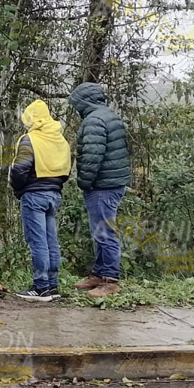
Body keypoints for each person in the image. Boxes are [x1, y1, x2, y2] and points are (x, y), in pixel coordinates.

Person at [68, 82, 131, 299]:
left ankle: (111, 280)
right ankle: (99, 274)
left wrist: (84, 182)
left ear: (83, 102)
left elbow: (93, 157)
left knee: (104, 232)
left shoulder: (94, 121)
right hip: (112, 182)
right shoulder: (109, 116)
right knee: (100, 231)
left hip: (103, 185)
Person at [9, 99, 71, 301]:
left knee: (37, 241)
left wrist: (19, 189)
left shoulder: (30, 139)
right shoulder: (59, 139)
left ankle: (41, 287)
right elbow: (66, 170)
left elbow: (19, 169)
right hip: (54, 194)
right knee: (51, 241)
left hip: (34, 194)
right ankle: (52, 285)